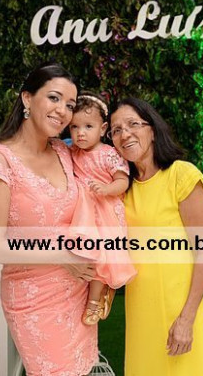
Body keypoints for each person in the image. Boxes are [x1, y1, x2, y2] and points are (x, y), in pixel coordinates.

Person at [0, 62, 98, 376]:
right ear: (27, 98)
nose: (63, 111)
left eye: (70, 105)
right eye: (54, 98)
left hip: (77, 290)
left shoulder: (63, 152)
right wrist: (63, 255)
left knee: (82, 369)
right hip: (34, 296)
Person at [109, 97, 203, 376]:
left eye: (133, 124)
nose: (125, 134)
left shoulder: (181, 175)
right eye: (116, 130)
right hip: (140, 308)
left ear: (153, 130)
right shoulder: (122, 189)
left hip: (178, 308)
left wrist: (187, 318)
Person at [68, 90, 137, 325]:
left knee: (101, 257)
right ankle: (99, 291)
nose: (80, 133)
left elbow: (122, 181)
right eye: (75, 127)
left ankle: (94, 300)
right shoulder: (71, 153)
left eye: (88, 126)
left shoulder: (109, 154)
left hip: (106, 212)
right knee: (85, 255)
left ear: (103, 128)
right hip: (84, 215)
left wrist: (107, 189)